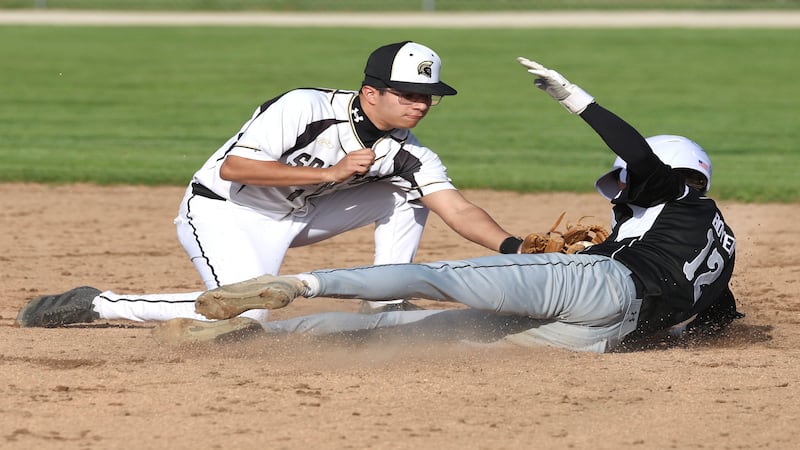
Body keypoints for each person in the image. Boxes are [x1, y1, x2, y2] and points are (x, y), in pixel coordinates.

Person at [151, 56, 742, 353]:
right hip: (611, 336)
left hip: (597, 285)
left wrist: (578, 101)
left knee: (441, 282)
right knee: (440, 332)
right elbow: (718, 312)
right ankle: (267, 342)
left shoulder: (672, 190)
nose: (621, 187)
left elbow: (638, 156)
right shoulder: (718, 237)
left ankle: (300, 286)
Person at [15, 41, 519, 328]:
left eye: (429, 96)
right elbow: (235, 168)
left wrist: (515, 246)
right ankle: (98, 303)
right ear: (371, 92)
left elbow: (457, 208)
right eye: (409, 94)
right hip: (224, 211)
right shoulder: (304, 107)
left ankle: (383, 300)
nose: (421, 104)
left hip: (297, 217)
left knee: (407, 191)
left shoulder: (408, 151)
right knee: (247, 315)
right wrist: (329, 174)